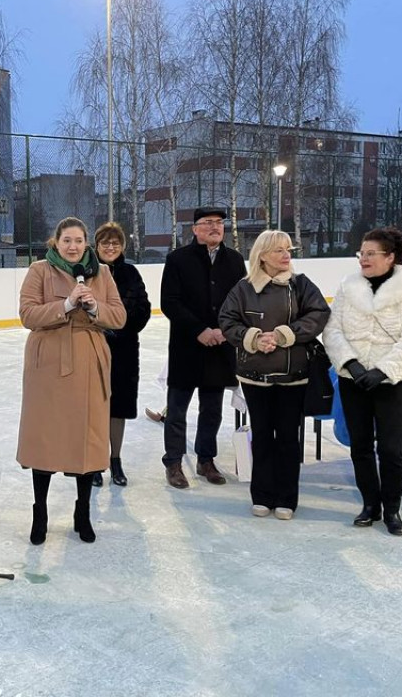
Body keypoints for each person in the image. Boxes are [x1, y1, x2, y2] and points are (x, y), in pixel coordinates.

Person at [17, 217, 126, 544]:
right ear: (57, 241)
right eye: (67, 240)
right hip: (48, 363)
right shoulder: (39, 270)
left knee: (86, 440)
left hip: (89, 361)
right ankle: (40, 512)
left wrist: (95, 308)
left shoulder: (102, 273)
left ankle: (83, 512)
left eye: (79, 240)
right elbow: (27, 314)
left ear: (86, 242)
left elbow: (119, 317)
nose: (74, 246)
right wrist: (65, 305)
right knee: (45, 438)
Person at [218, 230, 330, 520]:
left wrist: (284, 335)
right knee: (264, 436)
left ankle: (286, 498)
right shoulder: (243, 289)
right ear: (262, 255)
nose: (286, 255)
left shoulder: (301, 285)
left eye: (288, 250)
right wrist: (254, 338)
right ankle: (262, 495)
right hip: (255, 377)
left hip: (294, 377)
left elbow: (319, 314)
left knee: (288, 439)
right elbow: (227, 320)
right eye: (279, 250)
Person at [324, 227, 402, 536]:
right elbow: (332, 330)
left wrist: (382, 371)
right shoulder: (348, 287)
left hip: (395, 381)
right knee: (360, 446)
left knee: (392, 449)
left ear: (390, 257)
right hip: (353, 380)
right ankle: (370, 503)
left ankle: (392, 508)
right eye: (362, 253)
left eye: (371, 253)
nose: (364, 259)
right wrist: (352, 366)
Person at [159, 206, 246, 489]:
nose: (215, 227)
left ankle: (206, 459)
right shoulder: (177, 259)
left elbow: (240, 302)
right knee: (177, 410)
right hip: (187, 346)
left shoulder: (234, 260)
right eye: (208, 223)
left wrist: (223, 331)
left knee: (212, 409)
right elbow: (170, 302)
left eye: (219, 223)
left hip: (220, 347)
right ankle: (173, 461)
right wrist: (199, 330)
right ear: (194, 229)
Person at [92, 221, 151, 486]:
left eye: (115, 243)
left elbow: (143, 309)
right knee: (94, 407)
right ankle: (94, 462)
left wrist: (121, 330)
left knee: (118, 407)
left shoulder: (131, 273)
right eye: (105, 242)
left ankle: (115, 460)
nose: (110, 247)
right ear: (97, 246)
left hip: (124, 351)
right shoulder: (86, 272)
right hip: (92, 349)